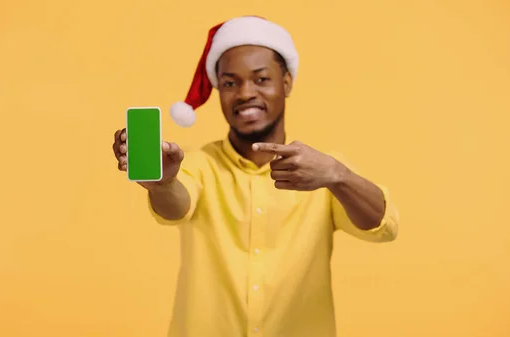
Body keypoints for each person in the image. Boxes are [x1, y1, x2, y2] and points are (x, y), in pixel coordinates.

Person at [112, 15, 399, 337]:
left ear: (287, 82)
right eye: (230, 82)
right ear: (218, 89)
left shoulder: (323, 171)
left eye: (261, 79)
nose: (245, 93)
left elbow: (383, 228)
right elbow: (176, 207)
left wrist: (338, 176)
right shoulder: (199, 164)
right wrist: (163, 184)